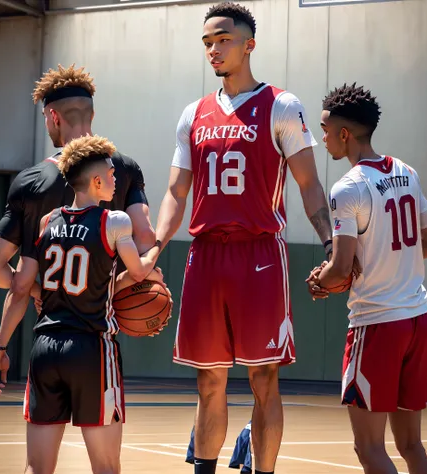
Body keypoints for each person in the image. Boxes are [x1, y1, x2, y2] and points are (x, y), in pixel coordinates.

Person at [155, 3, 333, 473]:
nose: (213, 49)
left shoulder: (281, 105)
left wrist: (332, 244)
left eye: (223, 40)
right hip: (206, 255)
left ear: (248, 44)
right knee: (208, 382)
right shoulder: (193, 113)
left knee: (264, 378)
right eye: (207, 42)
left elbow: (310, 185)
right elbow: (176, 191)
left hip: (259, 256)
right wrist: (155, 245)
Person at [0, 135, 164, 474]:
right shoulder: (115, 221)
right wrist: (158, 247)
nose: (116, 180)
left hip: (46, 349)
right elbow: (139, 272)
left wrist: (2, 342)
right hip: (92, 348)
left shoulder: (47, 221)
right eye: (112, 175)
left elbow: (24, 283)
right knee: (106, 467)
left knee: (37, 468)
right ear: (96, 182)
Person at [307, 83, 427, 474]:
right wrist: (390, 259)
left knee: (369, 449)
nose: (323, 137)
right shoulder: (407, 171)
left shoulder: (347, 187)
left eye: (326, 130)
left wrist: (320, 280)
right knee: (412, 446)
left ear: (344, 134)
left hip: (377, 324)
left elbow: (342, 266)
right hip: (418, 318)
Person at [0, 64, 156, 302]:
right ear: (92, 115)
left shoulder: (31, 180)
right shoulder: (125, 168)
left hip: (51, 325)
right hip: (102, 322)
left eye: (45, 118)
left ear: (53, 117)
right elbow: (144, 236)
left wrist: (37, 292)